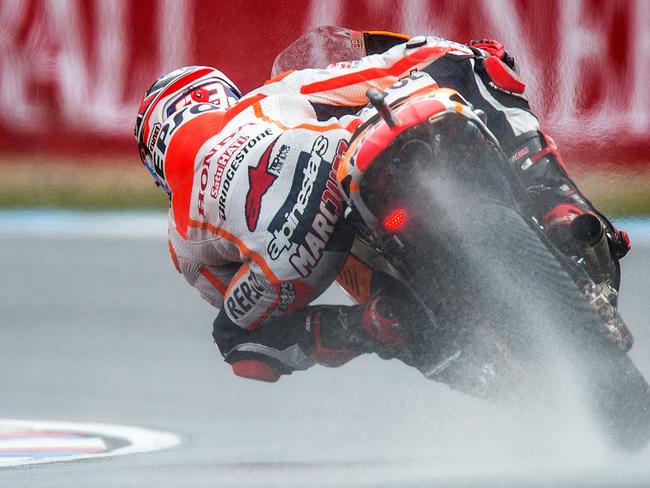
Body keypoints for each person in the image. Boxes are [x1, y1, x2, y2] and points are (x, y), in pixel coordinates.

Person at [134, 28, 630, 382]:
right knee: (480, 66)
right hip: (348, 165)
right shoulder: (268, 98)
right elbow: (398, 65)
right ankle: (557, 204)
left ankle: (392, 329)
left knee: (247, 334)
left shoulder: (181, 241)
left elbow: (243, 346)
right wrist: (466, 56)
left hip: (306, 260)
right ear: (218, 94)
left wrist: (358, 329)